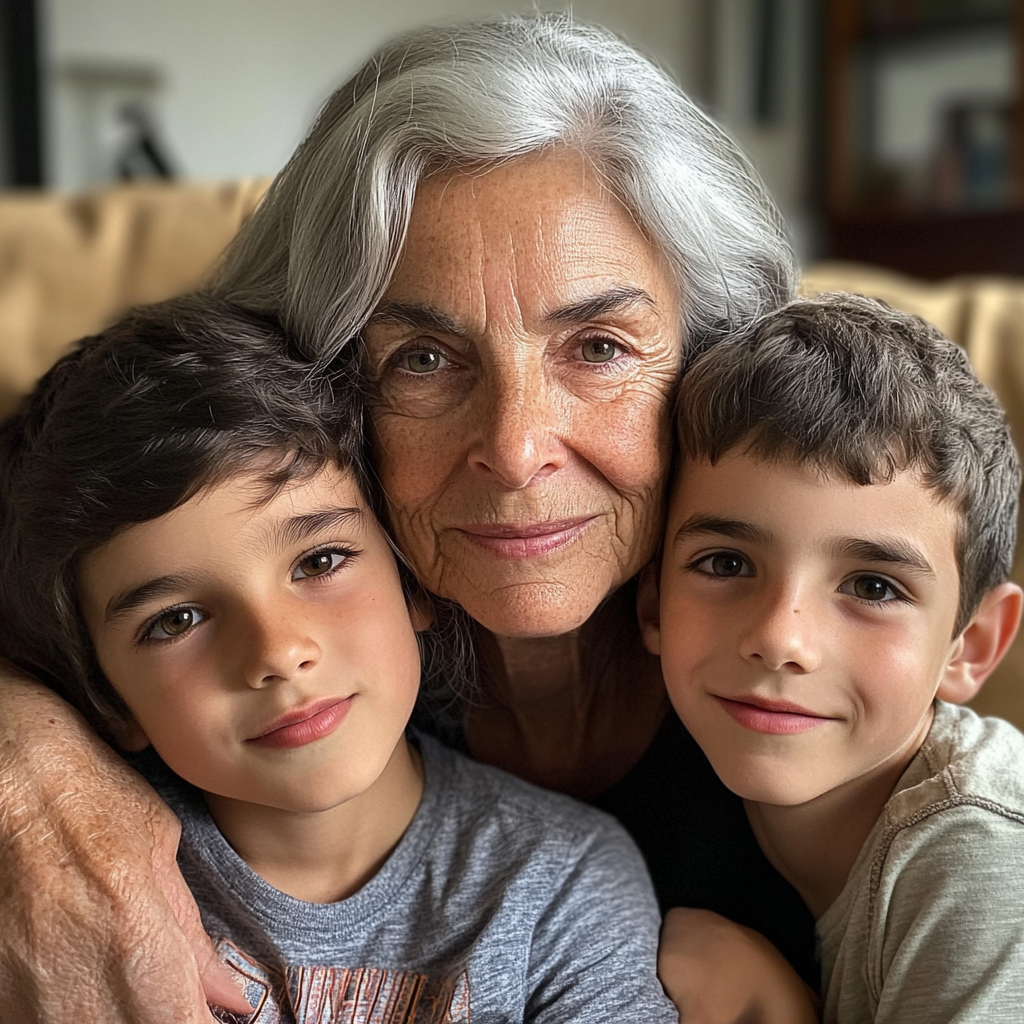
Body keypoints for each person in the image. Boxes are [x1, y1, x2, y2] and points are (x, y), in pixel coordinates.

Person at [0, 16, 816, 1022]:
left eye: (598, 347)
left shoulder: (817, 647)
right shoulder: (278, 668)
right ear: (326, 391)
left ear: (710, 369)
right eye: (421, 360)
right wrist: (22, 771)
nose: (516, 449)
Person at [0, 295, 680, 1024]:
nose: (278, 652)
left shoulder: (560, 882)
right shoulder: (65, 884)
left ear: (412, 578)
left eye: (320, 561)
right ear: (106, 694)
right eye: (179, 619)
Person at [640, 293, 1024, 1022]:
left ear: (971, 646)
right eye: (725, 564)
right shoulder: (677, 805)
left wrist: (776, 1007)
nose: (781, 638)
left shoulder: (983, 855)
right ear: (651, 602)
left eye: (873, 586)